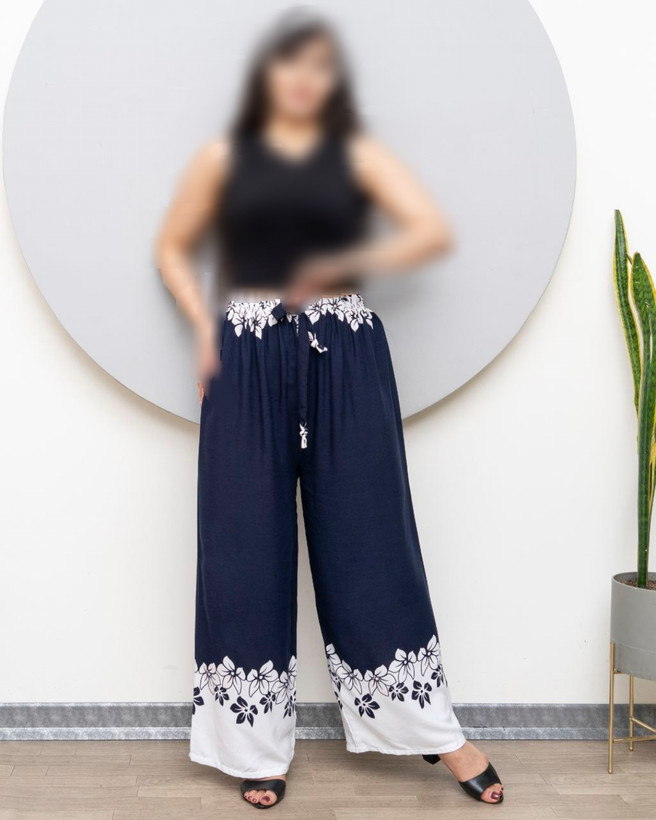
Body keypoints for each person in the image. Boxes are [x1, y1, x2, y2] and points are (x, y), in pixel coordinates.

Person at [156, 8, 503, 810]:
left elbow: (427, 232)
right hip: (245, 354)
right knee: (244, 544)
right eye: (290, 63)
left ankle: (432, 730)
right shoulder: (221, 158)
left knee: (371, 539)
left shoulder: (359, 156)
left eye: (320, 66)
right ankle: (254, 744)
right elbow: (172, 249)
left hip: (343, 352)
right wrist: (205, 332)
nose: (304, 78)